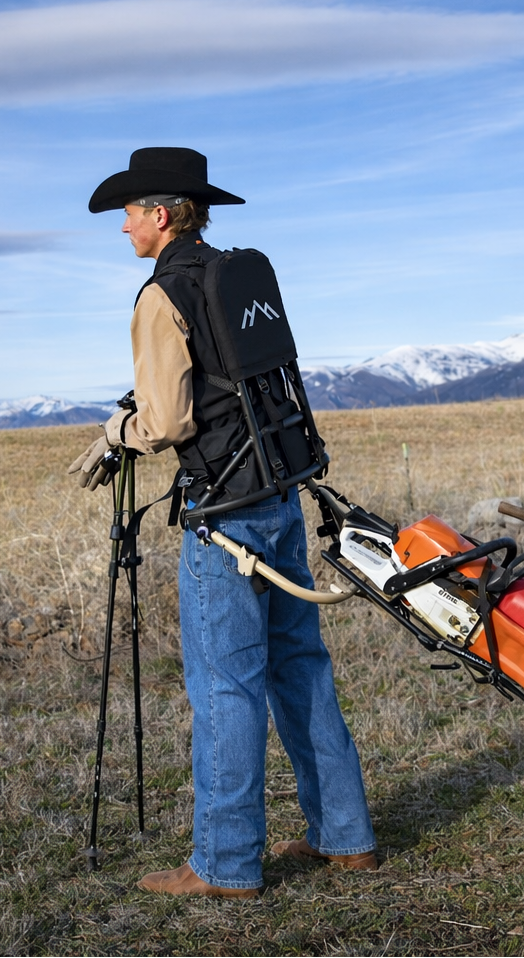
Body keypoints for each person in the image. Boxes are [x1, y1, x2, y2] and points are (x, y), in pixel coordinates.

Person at [71, 148, 376, 898]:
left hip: (224, 522)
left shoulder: (160, 294)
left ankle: (226, 864)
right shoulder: (233, 274)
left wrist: (117, 434)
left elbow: (171, 418)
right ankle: (347, 837)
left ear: (164, 214)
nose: (125, 226)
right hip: (278, 497)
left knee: (225, 689)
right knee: (300, 669)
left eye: (133, 211)